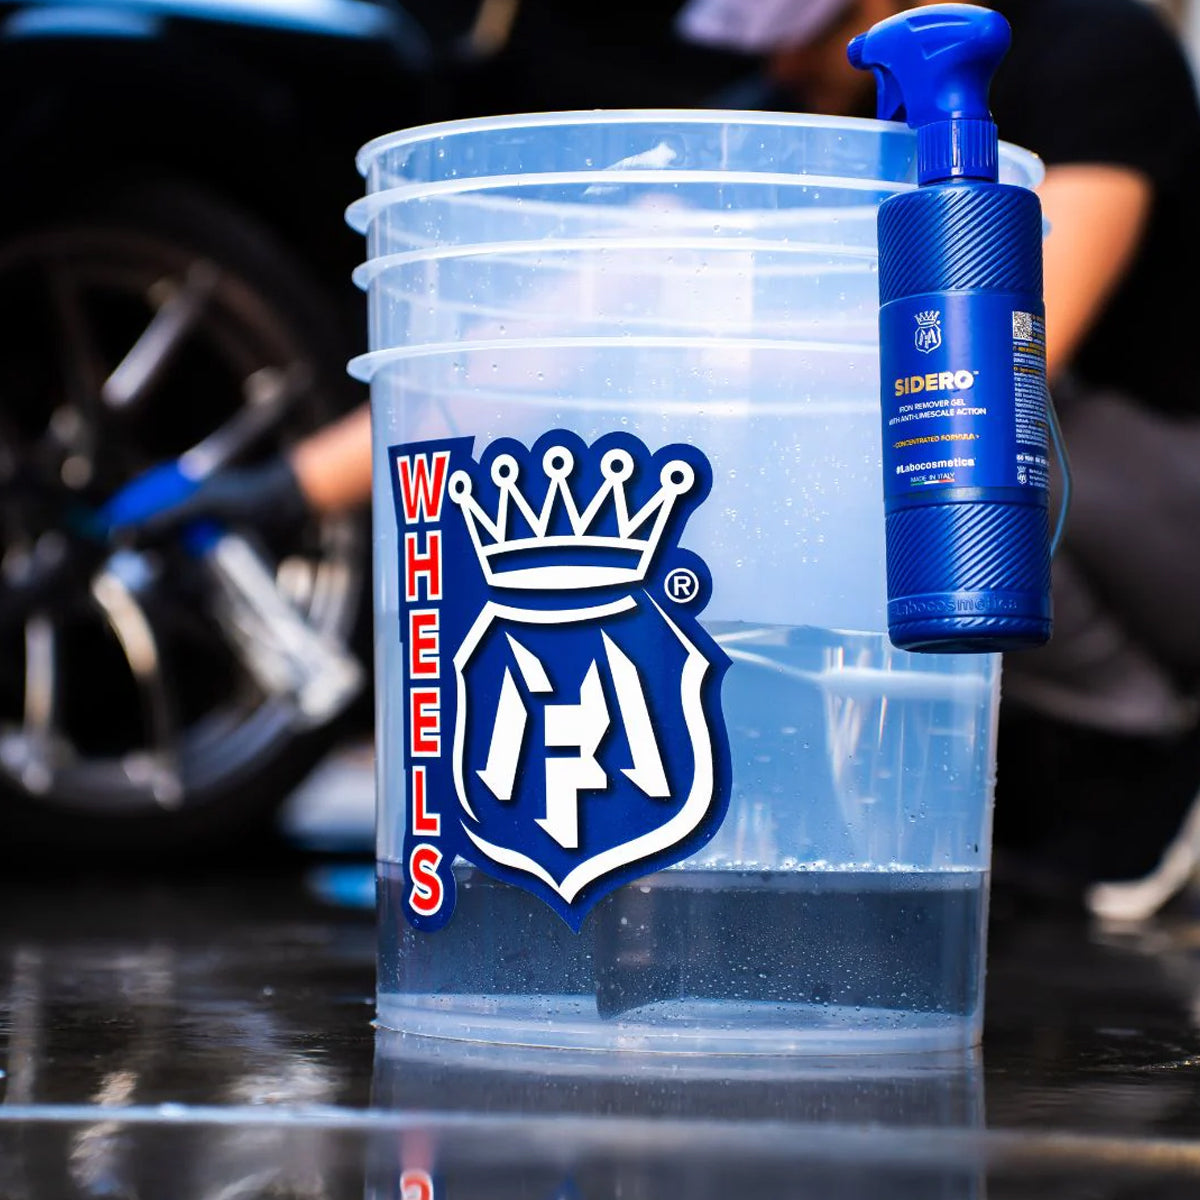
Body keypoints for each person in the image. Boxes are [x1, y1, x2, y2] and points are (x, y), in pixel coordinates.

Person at [113, 0, 1200, 907]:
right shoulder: (783, 114)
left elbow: (1022, 331)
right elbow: (537, 343)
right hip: (1067, 518)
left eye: (793, 35)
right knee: (836, 447)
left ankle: (1149, 758)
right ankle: (1047, 762)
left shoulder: (1090, 52)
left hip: (1158, 498)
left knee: (954, 418)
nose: (774, 58)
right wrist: (286, 488)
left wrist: (713, 355)